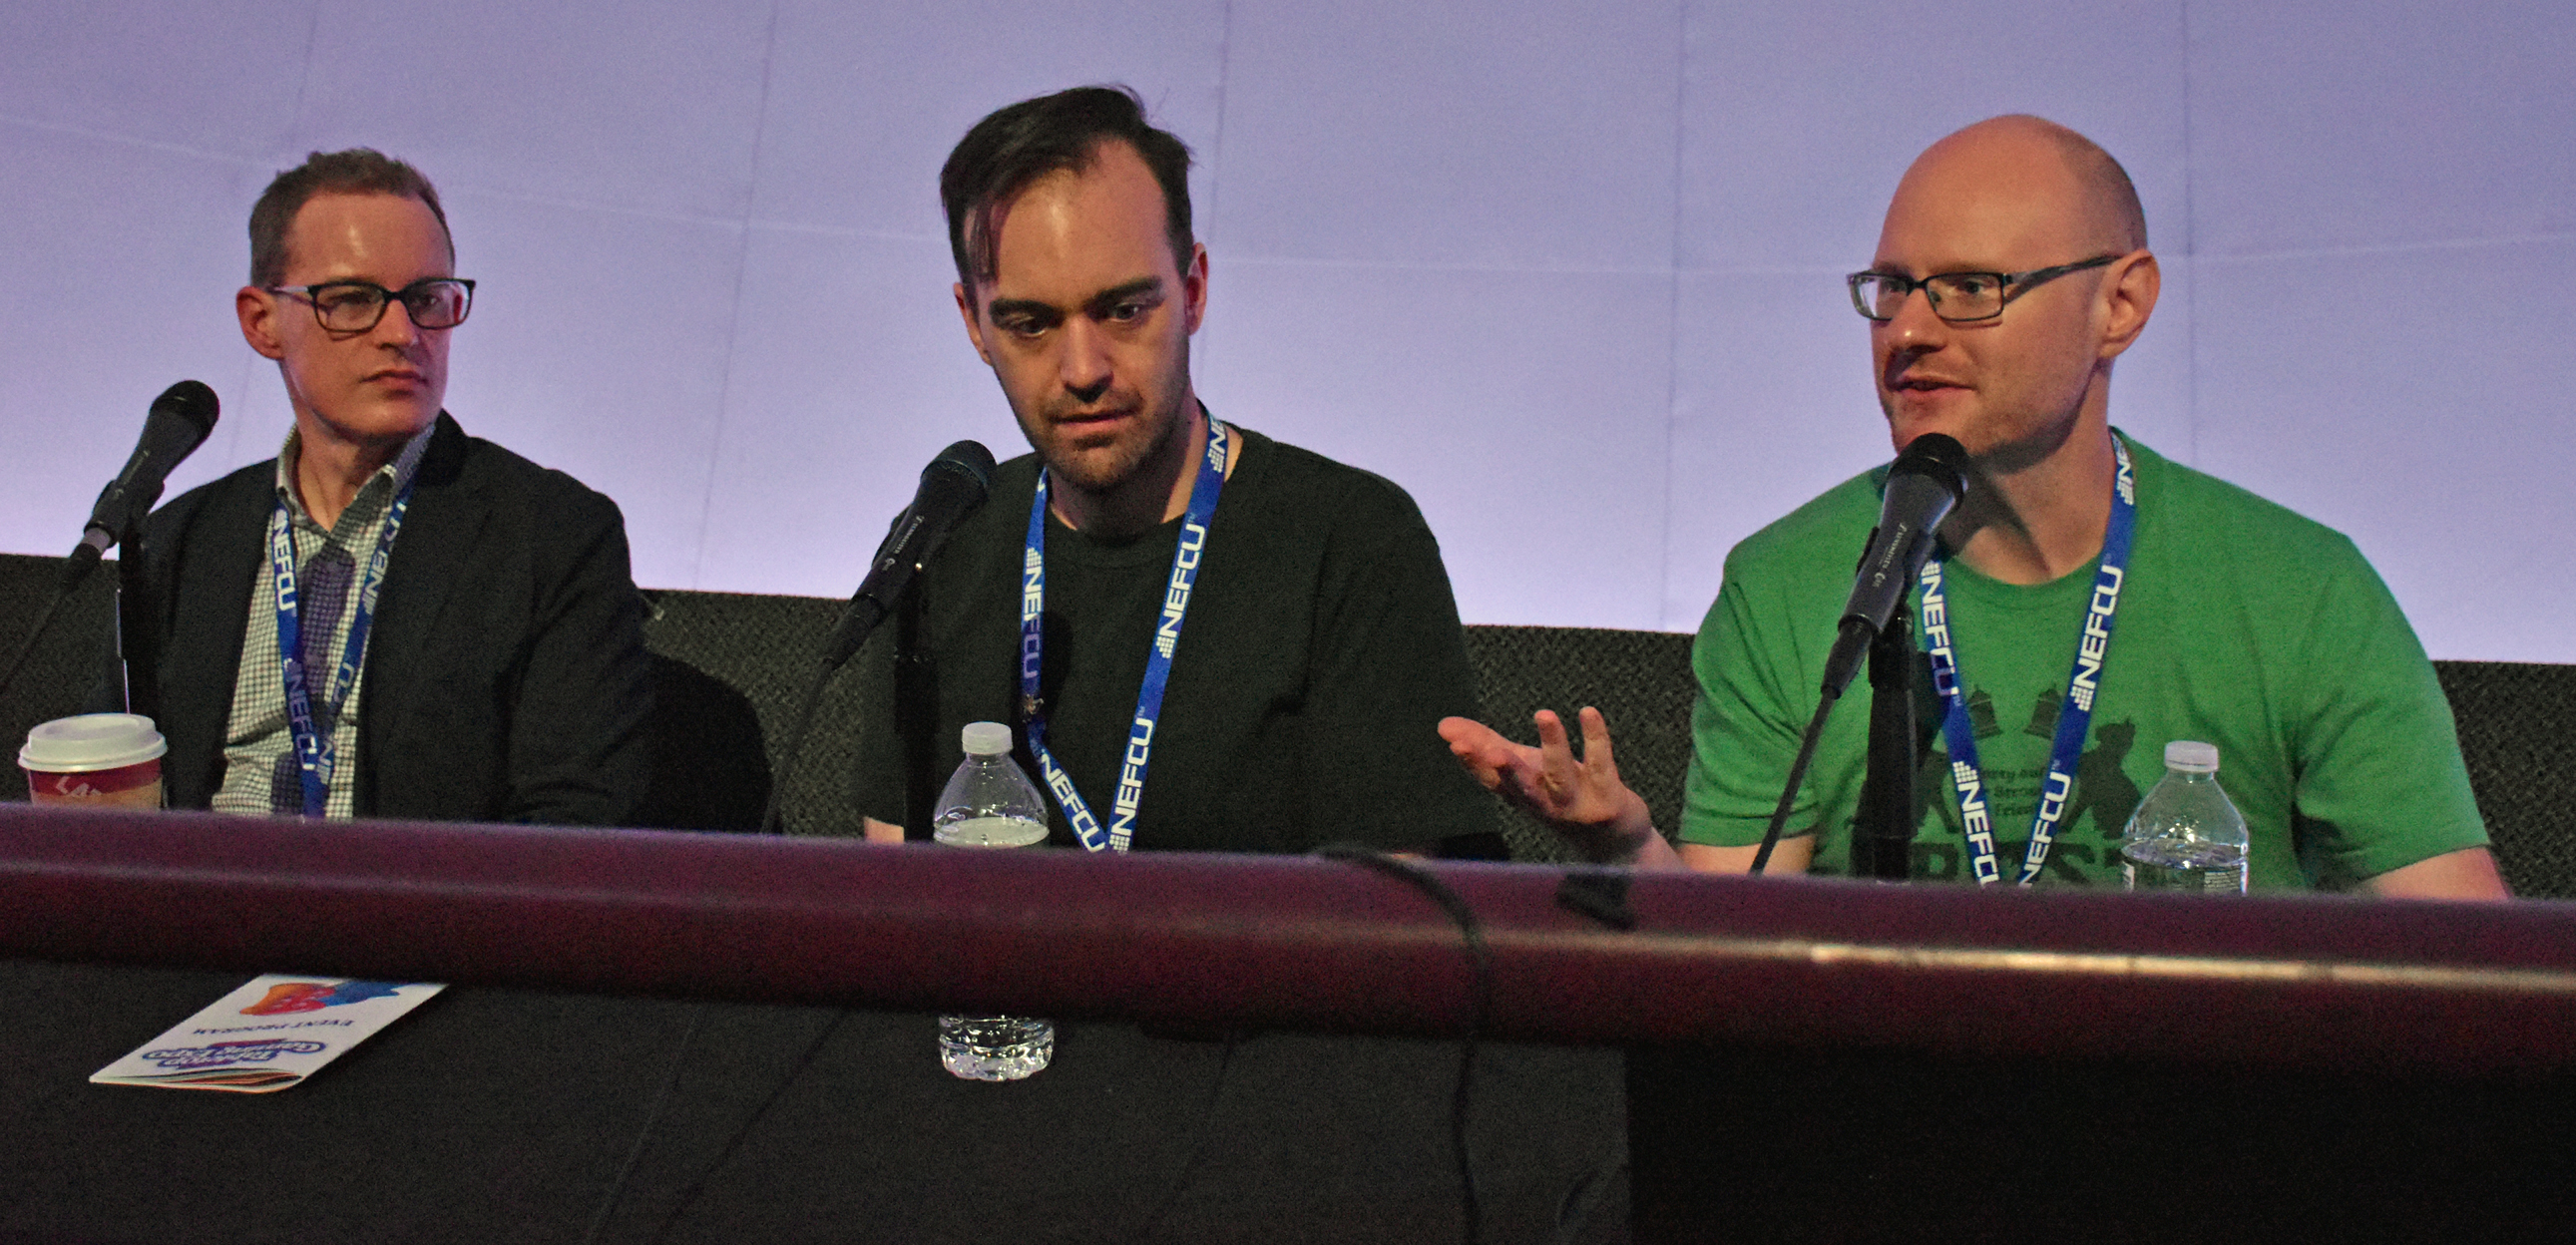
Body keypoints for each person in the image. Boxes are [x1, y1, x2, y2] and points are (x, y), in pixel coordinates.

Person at [1442, 115, 2506, 899]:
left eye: (1970, 288)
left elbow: (2459, 966)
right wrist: (1625, 847)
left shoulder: (2299, 589)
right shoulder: (1790, 583)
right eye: (1892, 288)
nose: (1909, 330)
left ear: (2120, 304)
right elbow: (1727, 942)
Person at [849, 86, 1490, 854]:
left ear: (1192, 290)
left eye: (1124, 311)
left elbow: (1389, 911)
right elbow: (895, 890)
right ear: (974, 325)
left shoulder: (1349, 543)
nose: (1083, 369)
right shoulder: (941, 546)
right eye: (1031, 324)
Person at [111, 149, 651, 824]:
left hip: (415, 891)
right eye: (352, 300)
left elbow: (576, 818)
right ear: (262, 322)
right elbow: (112, 784)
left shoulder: (550, 534)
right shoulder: (182, 540)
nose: (402, 334)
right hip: (203, 888)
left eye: (426, 300)